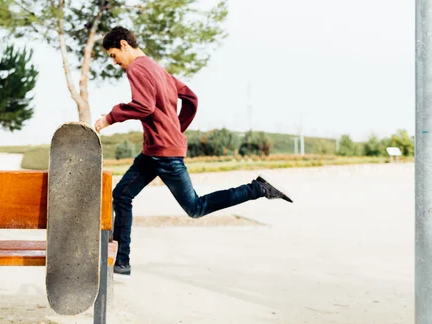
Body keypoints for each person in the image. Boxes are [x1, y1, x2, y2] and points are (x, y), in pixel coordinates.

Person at [95, 26, 292, 276]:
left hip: (163, 154)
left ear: (124, 44)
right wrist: (176, 130)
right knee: (121, 194)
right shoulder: (158, 69)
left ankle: (257, 188)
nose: (115, 62)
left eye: (113, 55)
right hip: (155, 151)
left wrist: (111, 118)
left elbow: (143, 106)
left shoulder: (137, 68)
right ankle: (122, 261)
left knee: (196, 207)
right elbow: (191, 98)